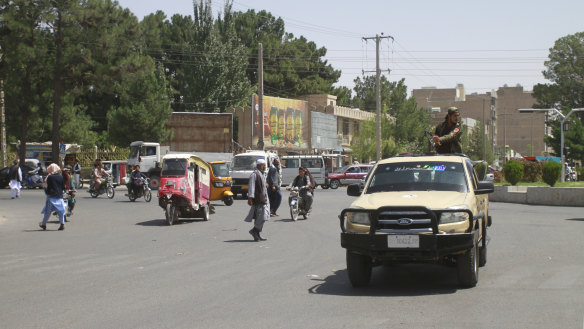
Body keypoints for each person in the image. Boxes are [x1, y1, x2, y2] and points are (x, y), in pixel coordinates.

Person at [244, 159, 270, 241]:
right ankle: (254, 231)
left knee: (264, 216)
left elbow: (261, 184)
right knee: (260, 216)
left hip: (264, 199)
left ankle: (257, 232)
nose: (265, 166)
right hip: (258, 199)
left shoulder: (262, 174)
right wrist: (250, 198)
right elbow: (251, 187)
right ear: (259, 165)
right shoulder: (254, 175)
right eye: (263, 165)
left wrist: (265, 185)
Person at [39, 164, 66, 231]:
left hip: (51, 196)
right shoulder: (61, 177)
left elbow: (48, 186)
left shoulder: (50, 177)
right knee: (60, 211)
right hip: (59, 196)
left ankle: (44, 224)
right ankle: (62, 224)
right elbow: (63, 187)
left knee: (47, 212)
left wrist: (47, 191)